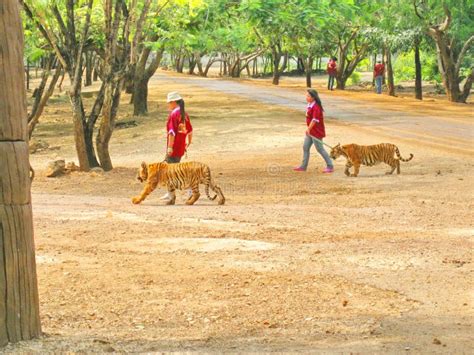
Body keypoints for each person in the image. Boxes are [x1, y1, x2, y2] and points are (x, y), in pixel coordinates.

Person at [160, 92, 193, 200]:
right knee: (174, 170)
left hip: (173, 147)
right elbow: (190, 130)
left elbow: (171, 132)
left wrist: (169, 148)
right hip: (180, 147)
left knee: (171, 171)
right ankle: (171, 191)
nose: (168, 105)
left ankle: (183, 190)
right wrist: (188, 142)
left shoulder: (174, 114)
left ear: (174, 102)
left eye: (169, 102)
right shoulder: (184, 113)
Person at [293, 89, 334, 173]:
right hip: (311, 131)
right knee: (305, 147)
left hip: (316, 131)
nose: (306, 97)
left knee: (320, 149)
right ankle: (303, 166)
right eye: (306, 95)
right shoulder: (310, 104)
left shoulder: (316, 107)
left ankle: (330, 166)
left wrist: (308, 129)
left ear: (313, 97)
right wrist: (309, 129)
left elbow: (314, 120)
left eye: (308, 96)